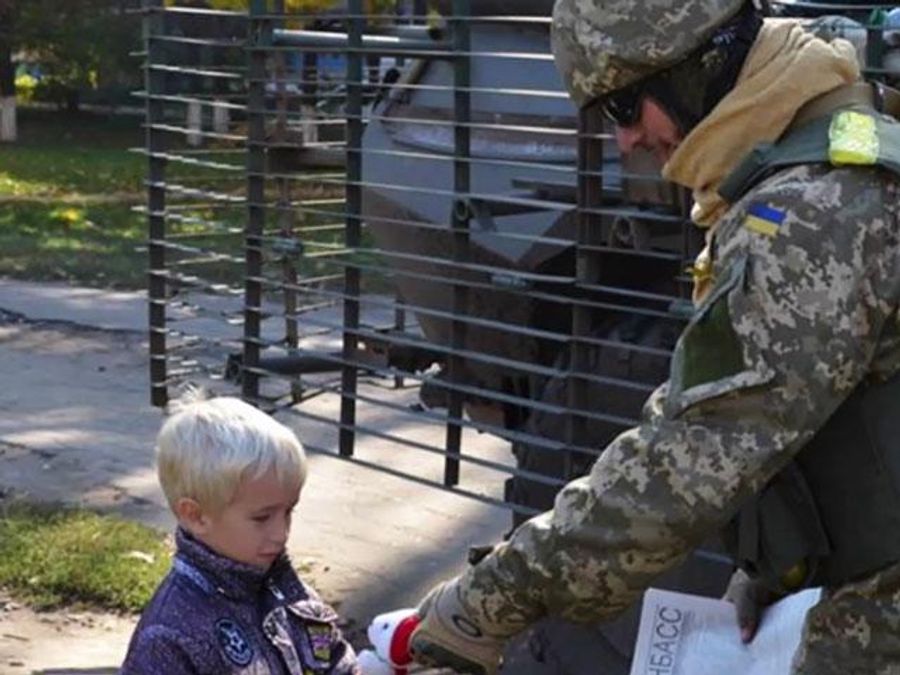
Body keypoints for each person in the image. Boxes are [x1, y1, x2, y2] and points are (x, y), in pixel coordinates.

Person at [408, 1, 900, 674]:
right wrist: (774, 570)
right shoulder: (835, 147)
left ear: (696, 67)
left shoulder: (809, 211)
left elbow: (689, 457)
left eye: (624, 108)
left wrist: (487, 600)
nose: (626, 141)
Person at [120, 391, 360, 674]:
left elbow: (335, 659)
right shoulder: (170, 636)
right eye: (262, 518)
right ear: (196, 516)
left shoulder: (292, 596)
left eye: (288, 512)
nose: (281, 534)